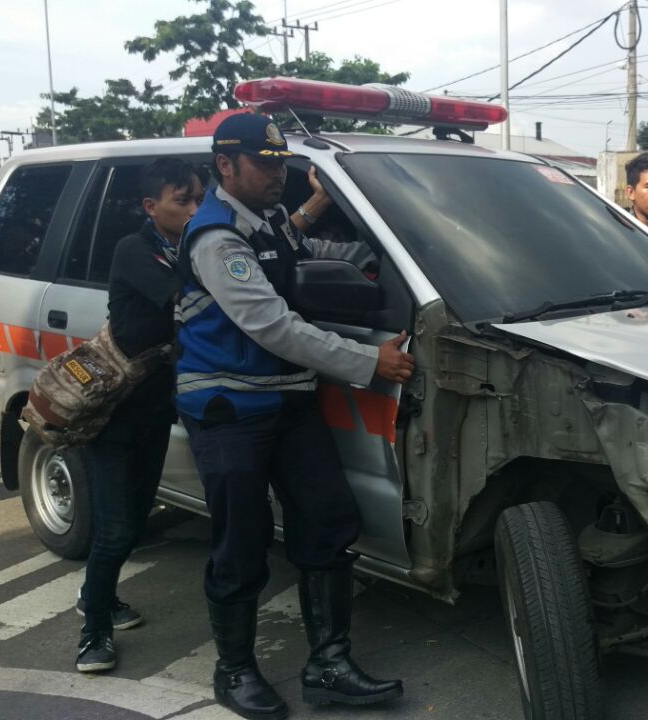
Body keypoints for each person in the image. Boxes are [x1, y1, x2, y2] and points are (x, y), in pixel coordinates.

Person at [175, 113, 411, 719]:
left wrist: (383, 243)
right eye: (265, 163)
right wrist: (369, 361)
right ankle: (235, 671)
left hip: (289, 398)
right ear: (226, 166)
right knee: (242, 542)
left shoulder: (272, 218)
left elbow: (307, 251)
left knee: (328, 520)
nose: (278, 173)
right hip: (230, 407)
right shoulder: (216, 239)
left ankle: (328, 664)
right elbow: (273, 325)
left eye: (282, 162)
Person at [75, 159, 204, 673]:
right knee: (114, 528)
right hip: (114, 417)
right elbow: (191, 296)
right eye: (183, 201)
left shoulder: (181, 245)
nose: (194, 210)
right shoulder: (136, 250)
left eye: (199, 200)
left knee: (132, 523)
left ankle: (95, 595)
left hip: (153, 412)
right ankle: (92, 634)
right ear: (152, 207)